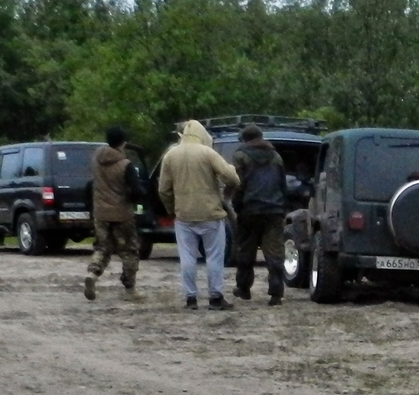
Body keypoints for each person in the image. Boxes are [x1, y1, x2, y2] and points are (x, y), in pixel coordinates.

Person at [158, 119, 240, 310]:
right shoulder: (208, 153)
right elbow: (232, 178)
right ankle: (216, 297)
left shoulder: (170, 155)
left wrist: (172, 208)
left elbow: (163, 189)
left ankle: (191, 298)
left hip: (184, 216)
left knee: (187, 258)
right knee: (214, 257)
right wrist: (227, 195)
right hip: (211, 214)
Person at [229, 125, 290, 304]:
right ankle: (276, 293)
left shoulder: (240, 156)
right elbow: (282, 184)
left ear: (245, 139)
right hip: (274, 210)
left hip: (249, 210)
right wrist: (283, 205)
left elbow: (238, 185)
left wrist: (236, 205)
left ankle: (244, 288)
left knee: (246, 250)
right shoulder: (276, 156)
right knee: (274, 252)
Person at [84, 128, 144, 301]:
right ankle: (130, 288)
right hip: (122, 215)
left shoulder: (96, 159)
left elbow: (91, 184)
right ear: (123, 143)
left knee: (102, 248)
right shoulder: (126, 165)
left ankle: (92, 274)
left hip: (101, 213)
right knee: (130, 251)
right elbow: (136, 191)